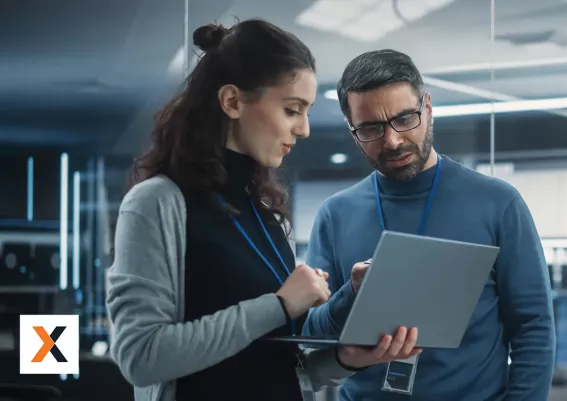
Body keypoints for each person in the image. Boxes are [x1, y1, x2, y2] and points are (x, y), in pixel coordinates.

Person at [106, 20, 421, 401]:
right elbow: (141, 357)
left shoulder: (263, 213)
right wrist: (279, 304)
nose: (304, 129)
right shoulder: (157, 203)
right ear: (233, 102)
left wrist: (346, 358)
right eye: (292, 110)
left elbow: (275, 366)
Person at [303, 49, 556, 400]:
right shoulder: (335, 214)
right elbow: (311, 332)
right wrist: (353, 294)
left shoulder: (497, 203)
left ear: (428, 107)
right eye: (371, 128)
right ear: (352, 129)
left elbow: (533, 329)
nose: (392, 141)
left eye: (405, 118)